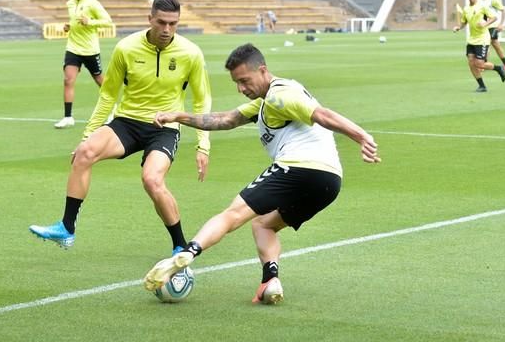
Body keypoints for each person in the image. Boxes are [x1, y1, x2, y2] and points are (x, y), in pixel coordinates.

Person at [144, 43, 381, 304]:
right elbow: (226, 120)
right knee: (264, 224)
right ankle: (271, 280)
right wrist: (179, 116)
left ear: (263, 70)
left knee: (233, 214)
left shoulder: (281, 94)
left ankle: (188, 253)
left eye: (245, 80)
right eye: (236, 83)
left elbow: (321, 115)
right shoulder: (265, 103)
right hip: (329, 181)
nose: (241, 88)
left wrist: (361, 136)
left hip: (298, 167)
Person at [30, 0, 212, 253]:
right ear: (150, 19)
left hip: (164, 128)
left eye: (173, 24)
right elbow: (108, 95)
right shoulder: (126, 48)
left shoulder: (191, 53)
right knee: (83, 154)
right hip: (127, 122)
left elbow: (202, 100)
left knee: (152, 180)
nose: (167, 29)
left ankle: (180, 248)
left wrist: (203, 145)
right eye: (161, 22)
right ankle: (66, 228)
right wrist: (88, 136)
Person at [54, 0, 113, 129]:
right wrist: (69, 27)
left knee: (101, 82)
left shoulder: (92, 3)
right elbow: (75, 21)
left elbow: (107, 22)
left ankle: (113, 112)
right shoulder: (70, 3)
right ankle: (68, 117)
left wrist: (90, 22)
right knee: (68, 80)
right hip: (73, 48)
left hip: (90, 50)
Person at [453, 0, 505, 92]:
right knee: (471, 62)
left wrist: (485, 24)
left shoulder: (482, 6)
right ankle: (482, 86)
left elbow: (494, 17)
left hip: (482, 39)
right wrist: (458, 27)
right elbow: (464, 23)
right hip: (471, 40)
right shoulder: (466, 9)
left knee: (479, 64)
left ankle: (498, 68)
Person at [479, 0, 505, 69]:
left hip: (493, 26)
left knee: (488, 43)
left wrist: (501, 24)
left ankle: (483, 65)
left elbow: (504, 11)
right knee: (495, 45)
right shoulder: (479, 0)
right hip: (485, 26)